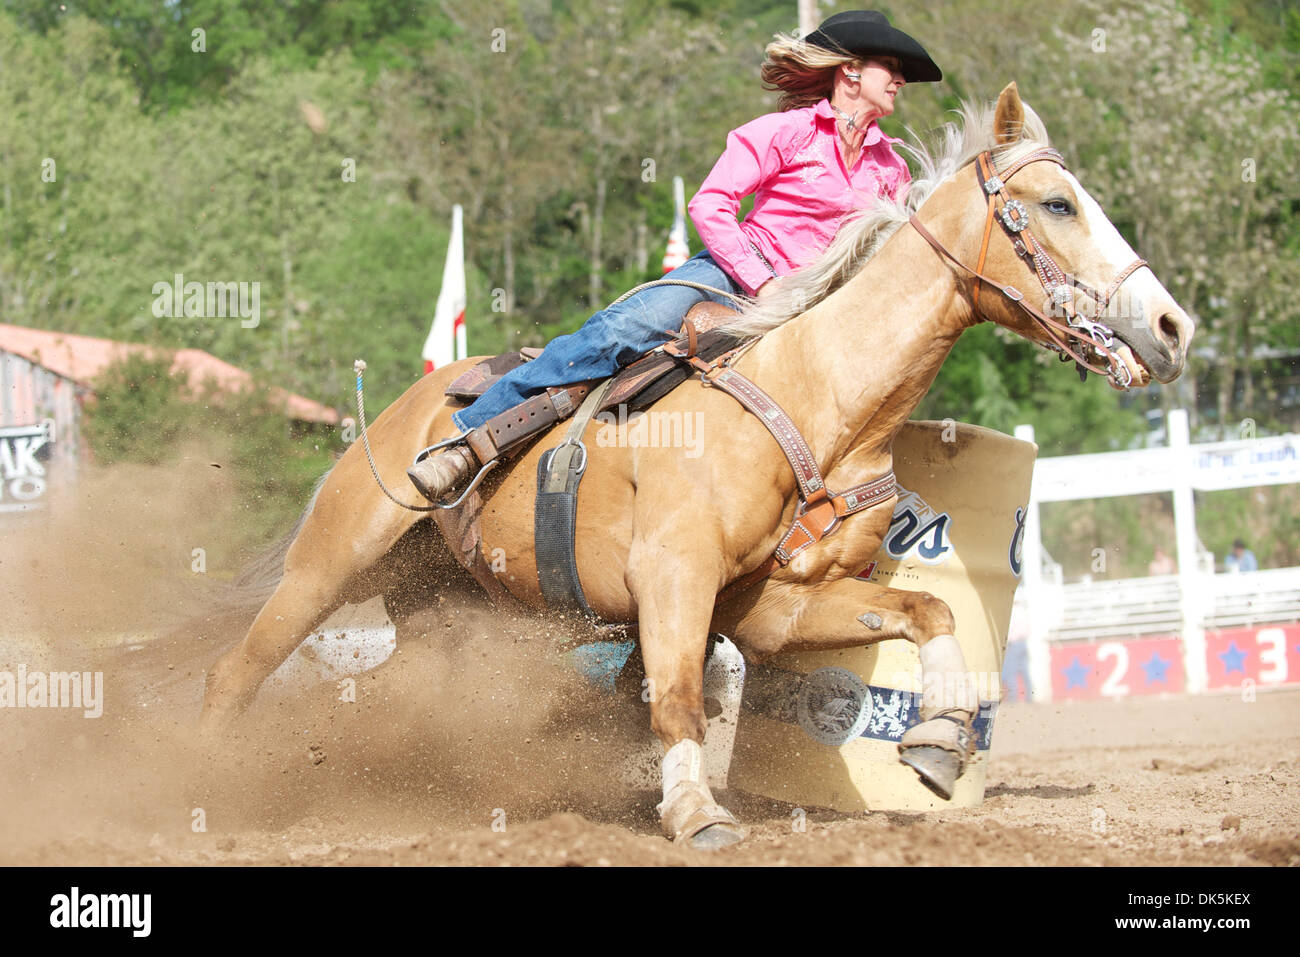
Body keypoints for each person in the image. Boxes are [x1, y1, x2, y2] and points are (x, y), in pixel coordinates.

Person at [407, 10, 943, 502]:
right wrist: (763, 281)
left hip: (818, 307)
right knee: (616, 333)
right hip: (732, 276)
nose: (899, 80)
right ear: (850, 73)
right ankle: (462, 440)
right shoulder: (786, 133)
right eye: (890, 68)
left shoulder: (891, 167)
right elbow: (710, 204)